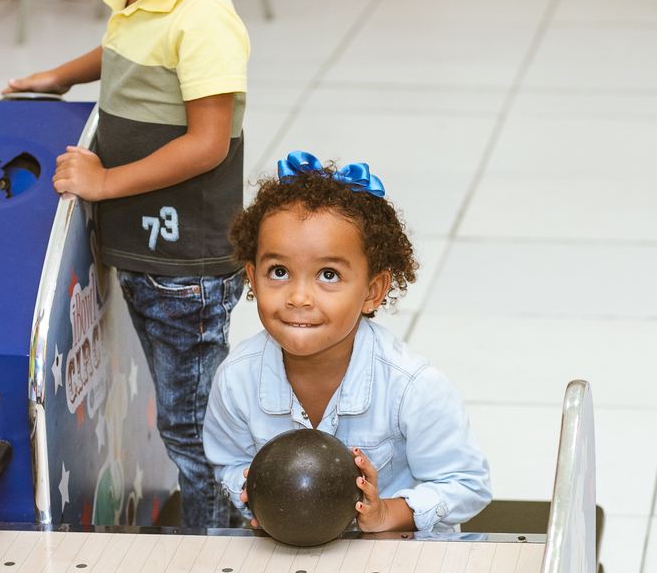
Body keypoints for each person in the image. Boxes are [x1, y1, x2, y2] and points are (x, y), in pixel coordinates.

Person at [3, 0, 249, 528]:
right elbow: (125, 54)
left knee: (191, 426)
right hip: (150, 249)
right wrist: (62, 76)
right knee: (180, 415)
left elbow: (208, 142)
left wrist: (106, 181)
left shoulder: (203, 15)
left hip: (183, 265)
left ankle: (217, 546)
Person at [204, 152, 492, 534]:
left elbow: (468, 484)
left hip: (398, 554)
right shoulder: (235, 380)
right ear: (252, 280)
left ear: (373, 292)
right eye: (279, 272)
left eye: (328, 274)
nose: (299, 297)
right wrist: (255, 495)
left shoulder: (412, 386)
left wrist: (387, 513)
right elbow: (228, 461)